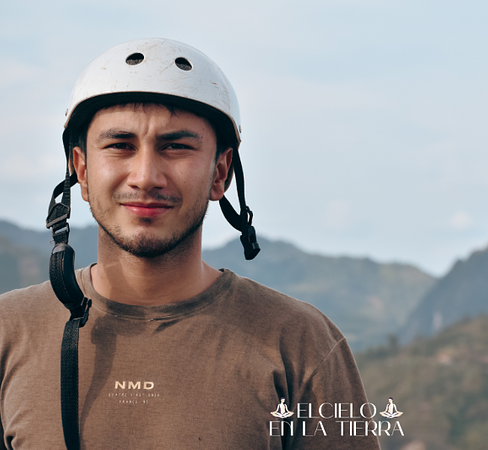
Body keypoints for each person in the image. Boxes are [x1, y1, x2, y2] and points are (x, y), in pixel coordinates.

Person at [0, 38, 379, 449]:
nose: (145, 176)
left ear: (220, 173)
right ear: (82, 172)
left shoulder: (300, 341)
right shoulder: (9, 331)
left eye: (176, 147)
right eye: (120, 146)